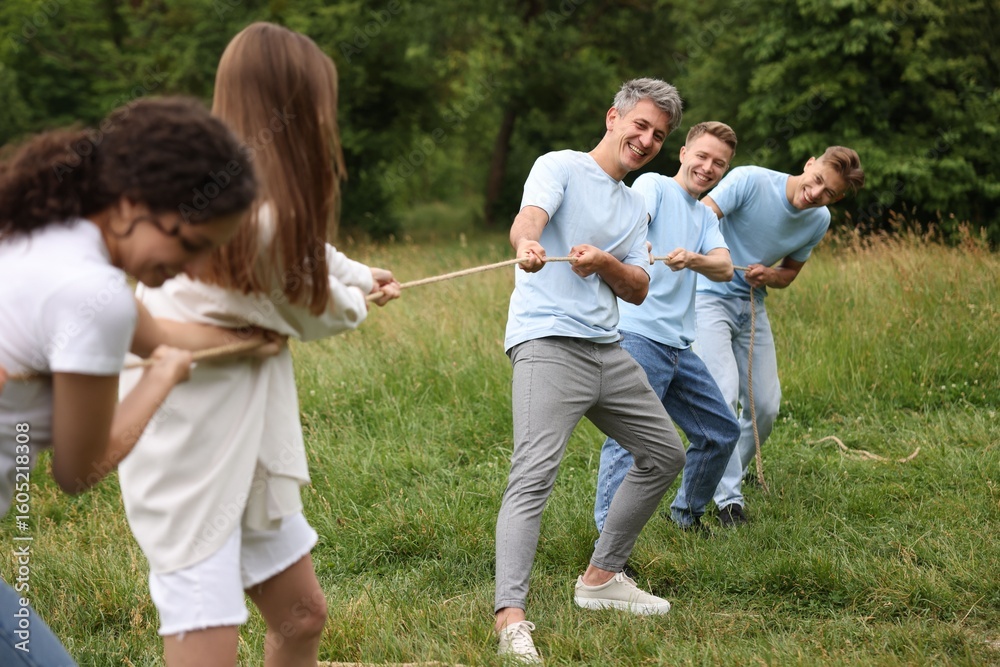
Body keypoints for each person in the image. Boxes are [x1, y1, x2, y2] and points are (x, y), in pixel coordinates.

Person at [116, 23, 401, 667]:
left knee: (302, 617)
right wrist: (356, 299)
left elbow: (307, 257)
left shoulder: (246, 193)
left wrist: (360, 273)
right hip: (191, 447)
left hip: (242, 438)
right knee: (208, 643)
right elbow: (316, 311)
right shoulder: (243, 205)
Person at [0, 97, 263, 665]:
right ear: (129, 203)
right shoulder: (92, 298)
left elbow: (157, 334)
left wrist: (255, 334)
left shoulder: (51, 232)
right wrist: (161, 380)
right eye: (188, 244)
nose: (193, 269)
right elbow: (77, 471)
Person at [494, 78, 687, 664]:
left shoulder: (634, 206)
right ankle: (510, 619)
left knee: (665, 454)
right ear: (614, 117)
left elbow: (639, 287)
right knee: (535, 475)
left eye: (658, 134)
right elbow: (528, 219)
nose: (647, 139)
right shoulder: (560, 166)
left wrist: (604, 262)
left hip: (607, 349)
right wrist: (528, 243)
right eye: (641, 125)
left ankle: (601, 580)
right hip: (548, 343)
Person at [697, 146, 865, 526]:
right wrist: (716, 258)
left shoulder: (818, 221)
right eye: (817, 180)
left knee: (766, 406)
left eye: (828, 194)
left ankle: (717, 476)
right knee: (722, 397)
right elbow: (700, 217)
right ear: (809, 164)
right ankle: (728, 502)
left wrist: (768, 275)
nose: (816, 194)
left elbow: (788, 274)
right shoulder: (750, 180)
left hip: (752, 305)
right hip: (705, 297)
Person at [593, 121, 741, 535]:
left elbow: (725, 267)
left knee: (720, 431)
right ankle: (609, 540)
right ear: (683, 153)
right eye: (702, 156)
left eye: (719, 163)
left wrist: (693, 258)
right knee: (631, 441)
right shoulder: (656, 185)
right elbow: (631, 221)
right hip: (638, 336)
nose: (708, 167)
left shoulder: (704, 214)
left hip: (679, 346)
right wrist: (641, 245)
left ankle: (686, 516)